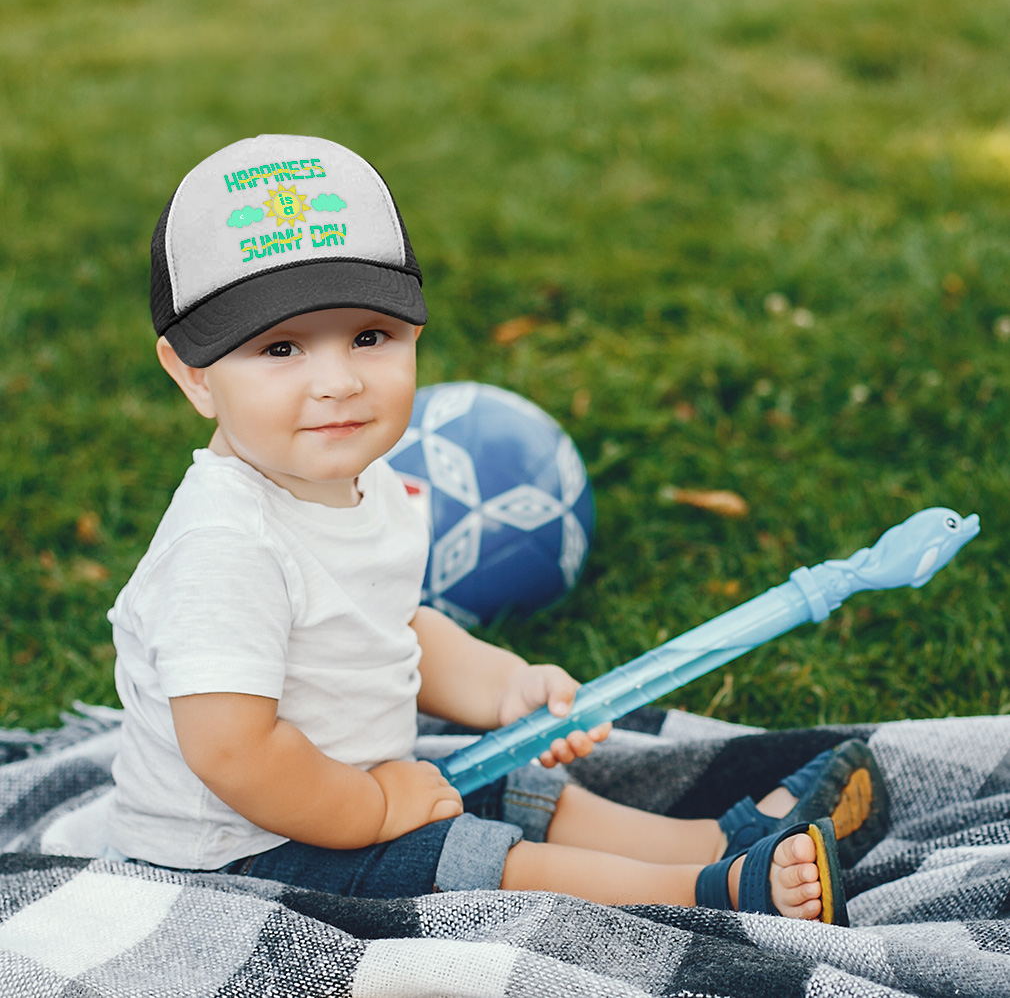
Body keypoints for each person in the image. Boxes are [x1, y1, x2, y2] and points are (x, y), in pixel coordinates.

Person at [106, 134, 885, 921]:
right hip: (239, 851)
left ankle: (711, 843)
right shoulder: (225, 548)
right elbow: (233, 750)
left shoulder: (365, 482)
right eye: (281, 348)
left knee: (512, 780)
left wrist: (504, 686)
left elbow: (392, 626)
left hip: (353, 784)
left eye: (369, 337)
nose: (337, 381)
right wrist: (376, 808)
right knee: (465, 859)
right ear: (193, 375)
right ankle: (710, 894)